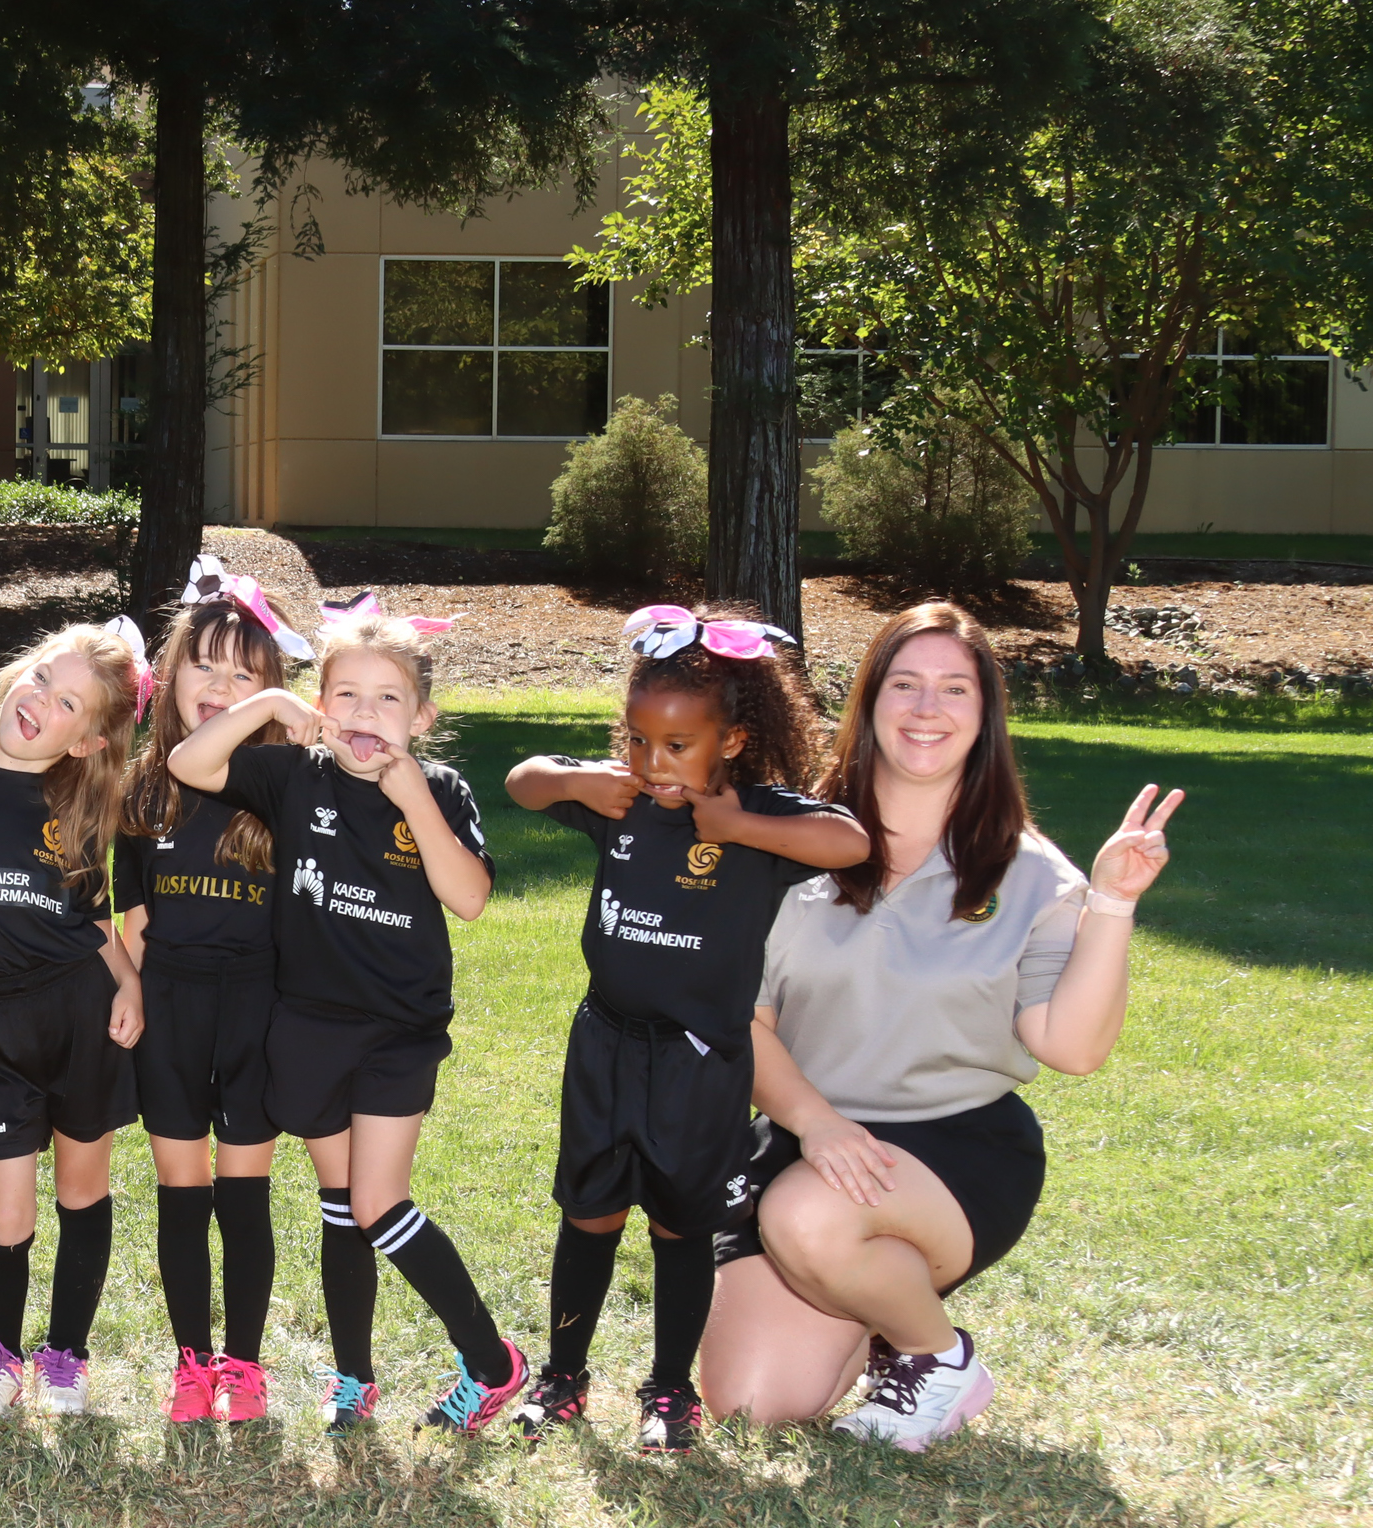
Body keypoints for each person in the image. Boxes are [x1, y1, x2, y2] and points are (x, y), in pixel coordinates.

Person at [699, 601, 1183, 1450]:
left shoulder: (1032, 874)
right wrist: (817, 1125)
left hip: (957, 1150)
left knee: (810, 1218)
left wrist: (1112, 903)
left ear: (985, 714)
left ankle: (937, 1354)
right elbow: (744, 1023)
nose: (928, 709)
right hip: (809, 1131)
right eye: (906, 684)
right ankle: (878, 1303)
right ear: (869, 701)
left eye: (955, 689)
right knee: (751, 1404)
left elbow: (1072, 1048)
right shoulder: (788, 844)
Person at [502, 605, 868, 1454]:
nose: (652, 762)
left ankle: (669, 1389)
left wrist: (740, 828)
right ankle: (563, 1377)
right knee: (589, 1216)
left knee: (680, 1228)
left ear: (731, 741)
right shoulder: (617, 799)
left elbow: (849, 842)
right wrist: (577, 783)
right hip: (605, 1047)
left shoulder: (755, 815)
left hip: (701, 1064)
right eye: (638, 741)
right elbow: (523, 779)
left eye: (677, 745)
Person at [169, 602, 518, 1436]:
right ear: (322, 706)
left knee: (378, 1203)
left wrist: (411, 795)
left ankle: (492, 1361)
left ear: (422, 717)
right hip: (308, 1029)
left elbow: (469, 897)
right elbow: (190, 762)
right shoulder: (295, 775)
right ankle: (355, 1377)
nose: (366, 714)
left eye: (388, 699)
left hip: (399, 1031)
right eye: (346, 696)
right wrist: (268, 704)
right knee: (342, 1206)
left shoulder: (440, 789)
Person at [0, 621, 146, 1416]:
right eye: (42, 678)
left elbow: (92, 918)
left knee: (82, 1188)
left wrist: (129, 986)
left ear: (86, 741)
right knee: (6, 1204)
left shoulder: (77, 806)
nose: (42, 701)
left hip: (82, 1011)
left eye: (69, 702)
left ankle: (67, 1355)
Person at [114, 560, 306, 1425]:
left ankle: (246, 1365)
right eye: (206, 667)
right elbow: (134, 919)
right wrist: (129, 990)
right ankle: (192, 1364)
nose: (222, 689)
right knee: (181, 1194)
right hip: (172, 1014)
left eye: (246, 677)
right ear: (171, 672)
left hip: (258, 1011)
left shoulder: (284, 786)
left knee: (244, 1197)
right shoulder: (143, 788)